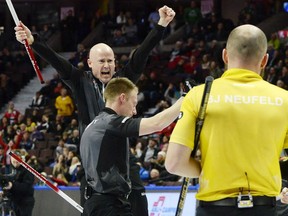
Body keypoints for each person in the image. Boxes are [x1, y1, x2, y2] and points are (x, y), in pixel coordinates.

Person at [14, 5, 176, 216]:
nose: (107, 65)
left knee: (139, 208)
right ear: (90, 63)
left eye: (110, 60)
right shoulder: (80, 81)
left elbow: (141, 55)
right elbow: (56, 60)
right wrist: (33, 41)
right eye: (102, 61)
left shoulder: (121, 82)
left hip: (123, 161)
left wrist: (161, 25)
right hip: (93, 166)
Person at [165, 24, 288, 216]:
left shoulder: (199, 95)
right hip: (264, 208)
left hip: (213, 208)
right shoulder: (284, 100)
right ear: (265, 60)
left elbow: (173, 163)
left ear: (224, 56)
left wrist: (213, 169)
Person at [80, 77, 183, 215]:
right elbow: (156, 124)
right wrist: (185, 100)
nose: (134, 111)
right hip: (109, 206)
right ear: (122, 98)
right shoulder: (111, 123)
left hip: (94, 203)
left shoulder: (93, 125)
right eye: (134, 104)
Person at [2, 150, 35, 216]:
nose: (15, 160)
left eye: (17, 158)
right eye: (13, 158)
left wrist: (12, 186)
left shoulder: (28, 170)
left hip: (25, 202)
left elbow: (26, 187)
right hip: (14, 201)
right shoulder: (9, 169)